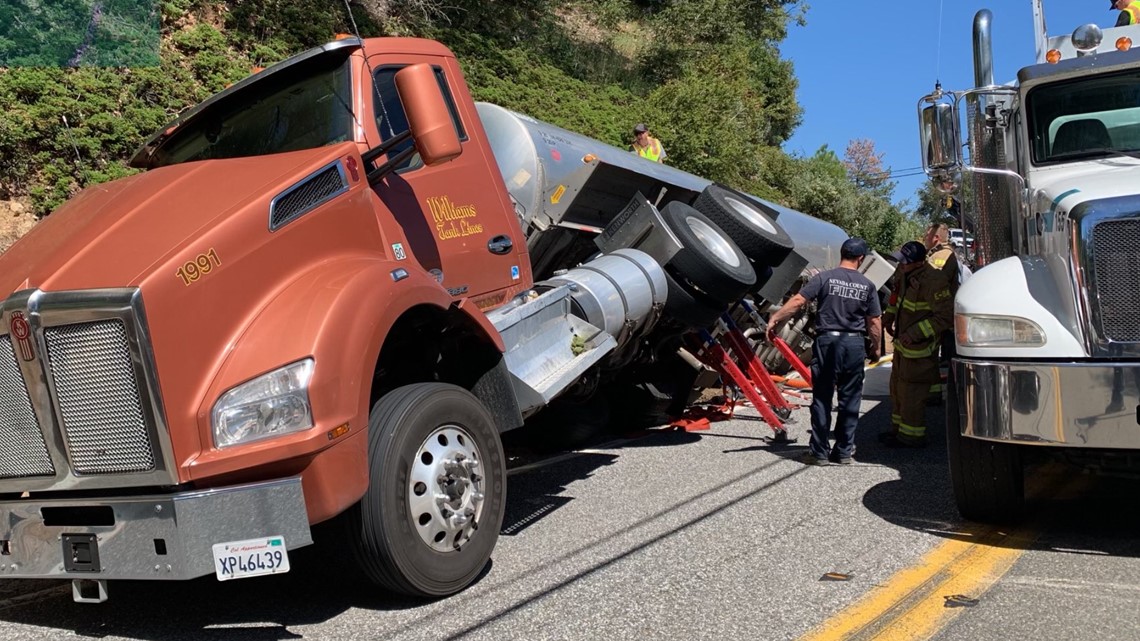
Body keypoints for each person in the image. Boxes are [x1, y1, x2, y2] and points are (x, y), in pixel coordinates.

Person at [766, 238, 882, 466]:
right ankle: (843, 452)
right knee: (850, 400)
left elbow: (799, 300)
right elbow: (874, 322)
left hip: (828, 342)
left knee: (822, 398)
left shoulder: (824, 278)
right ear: (861, 258)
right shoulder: (867, 285)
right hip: (854, 344)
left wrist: (775, 318)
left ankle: (819, 452)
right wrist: (876, 348)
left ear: (842, 254)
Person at [881, 241, 954, 448]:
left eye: (906, 262)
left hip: (919, 349)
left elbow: (946, 317)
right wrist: (889, 317)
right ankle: (897, 431)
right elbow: (897, 298)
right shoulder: (904, 273)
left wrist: (914, 333)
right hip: (903, 346)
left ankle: (911, 437)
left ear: (919, 262)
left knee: (911, 393)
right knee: (896, 388)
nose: (901, 265)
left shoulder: (934, 280)